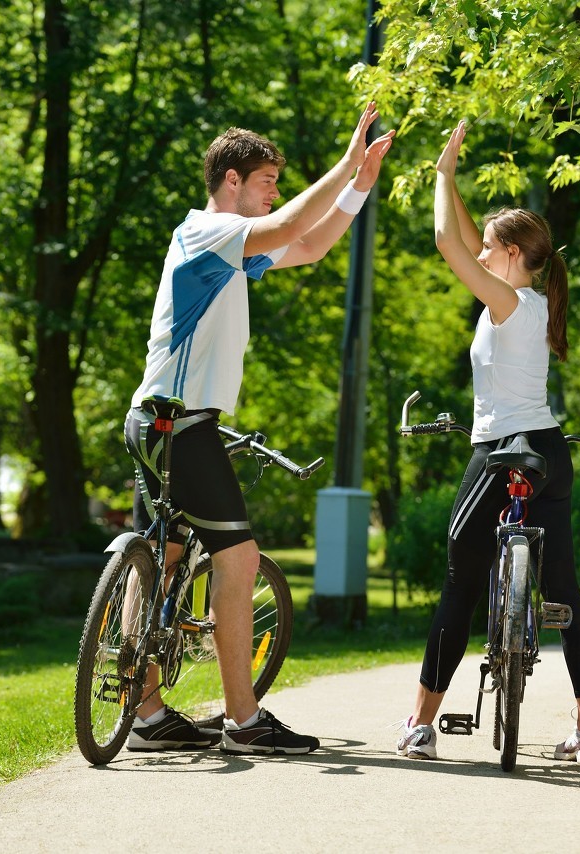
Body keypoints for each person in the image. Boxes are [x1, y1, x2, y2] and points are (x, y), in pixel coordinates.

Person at [123, 104, 395, 756]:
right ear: (233, 180)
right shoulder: (209, 230)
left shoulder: (229, 251)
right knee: (239, 559)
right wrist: (344, 165)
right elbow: (287, 223)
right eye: (267, 178)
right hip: (180, 424)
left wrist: (360, 185)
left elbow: (307, 244)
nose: (274, 188)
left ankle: (145, 712)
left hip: (157, 419)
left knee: (159, 558)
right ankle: (243, 721)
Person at [395, 120, 580, 765]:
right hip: (549, 449)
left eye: (490, 249)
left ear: (512, 255)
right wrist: (450, 177)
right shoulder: (534, 301)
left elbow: (443, 241)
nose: (481, 256)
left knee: (460, 582)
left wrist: (438, 177)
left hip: (500, 450)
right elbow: (463, 236)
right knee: (566, 593)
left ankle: (422, 724)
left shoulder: (506, 302)